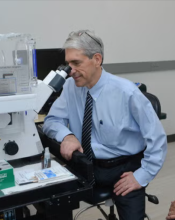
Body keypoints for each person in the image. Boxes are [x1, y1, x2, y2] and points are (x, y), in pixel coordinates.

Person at [43, 30, 167, 220]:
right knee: (51, 203)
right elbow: (51, 121)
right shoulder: (70, 87)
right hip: (84, 164)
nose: (71, 70)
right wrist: (67, 136)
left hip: (123, 168)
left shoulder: (127, 92)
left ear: (97, 59)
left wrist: (142, 175)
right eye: (68, 64)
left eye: (76, 63)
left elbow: (157, 139)